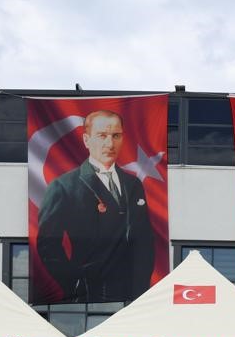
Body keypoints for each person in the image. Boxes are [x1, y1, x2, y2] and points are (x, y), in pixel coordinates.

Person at [35, 109, 155, 303]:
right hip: (89, 296)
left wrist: (141, 286)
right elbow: (48, 244)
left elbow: (145, 241)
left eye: (116, 136)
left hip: (132, 295)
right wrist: (74, 282)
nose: (110, 144)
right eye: (102, 136)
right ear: (86, 140)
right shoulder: (64, 186)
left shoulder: (133, 184)